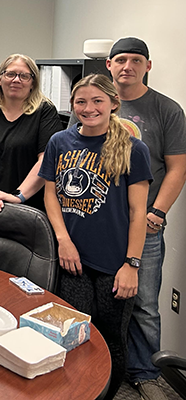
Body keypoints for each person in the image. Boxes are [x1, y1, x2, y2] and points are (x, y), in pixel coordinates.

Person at [39, 74, 152, 400]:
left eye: (97, 101)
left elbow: (137, 214)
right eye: (81, 102)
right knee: (74, 334)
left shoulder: (134, 149)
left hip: (115, 265)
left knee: (112, 338)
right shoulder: (59, 142)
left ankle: (106, 395)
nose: (89, 108)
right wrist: (64, 240)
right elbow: (51, 195)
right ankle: (78, 392)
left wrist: (132, 264)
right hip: (73, 260)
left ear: (113, 103)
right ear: (73, 105)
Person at [105, 37, 186, 400]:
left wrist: (157, 212)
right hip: (102, 223)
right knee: (100, 298)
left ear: (147, 66)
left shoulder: (166, 109)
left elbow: (178, 167)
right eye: (120, 59)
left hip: (146, 226)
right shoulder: (96, 104)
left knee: (145, 304)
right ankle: (105, 365)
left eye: (136, 60)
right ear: (109, 65)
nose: (127, 66)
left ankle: (147, 373)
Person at [0, 54, 61, 216]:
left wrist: (17, 196)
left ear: (32, 83)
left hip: (27, 206)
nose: (16, 80)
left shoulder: (45, 111)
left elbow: (46, 160)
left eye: (24, 76)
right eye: (10, 74)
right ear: (0, 79)